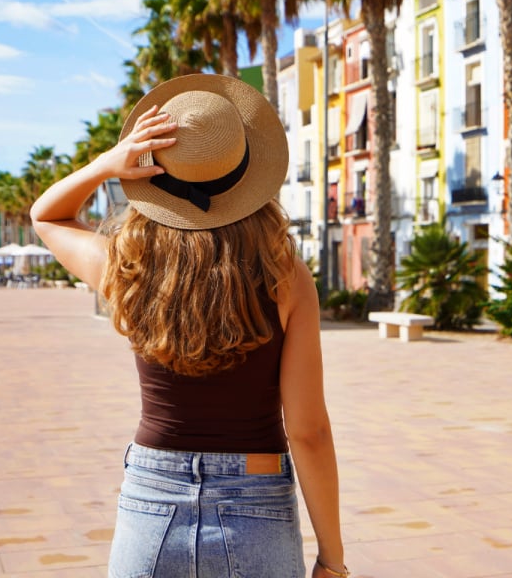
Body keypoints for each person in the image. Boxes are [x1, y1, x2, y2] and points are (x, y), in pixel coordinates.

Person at [32, 74, 346, 578]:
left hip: (151, 499)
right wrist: (333, 559)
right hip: (257, 501)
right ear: (249, 177)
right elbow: (309, 431)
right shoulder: (285, 273)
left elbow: (47, 217)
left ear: (154, 178)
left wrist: (107, 166)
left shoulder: (126, 264)